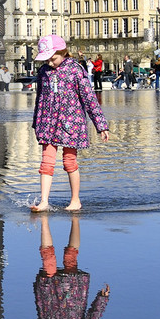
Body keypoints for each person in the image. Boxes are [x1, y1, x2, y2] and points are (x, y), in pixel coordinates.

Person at [30, 34, 110, 213]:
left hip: (71, 123)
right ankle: (44, 201)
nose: (50, 63)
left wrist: (101, 125)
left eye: (53, 58)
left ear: (63, 52)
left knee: (69, 161)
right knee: (46, 162)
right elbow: (40, 98)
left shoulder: (75, 69)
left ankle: (75, 200)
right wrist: (37, 121)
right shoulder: (43, 71)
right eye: (47, 59)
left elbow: (89, 98)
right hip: (48, 122)